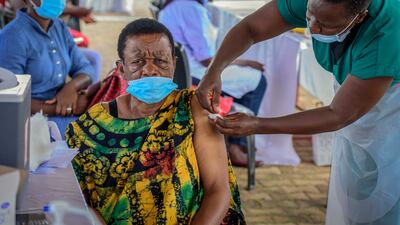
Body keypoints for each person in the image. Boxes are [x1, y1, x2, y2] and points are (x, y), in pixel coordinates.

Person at [196, 0, 400, 224]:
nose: (312, 27)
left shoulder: (387, 32)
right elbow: (251, 28)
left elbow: (338, 114)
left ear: (359, 17)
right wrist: (213, 71)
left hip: (392, 108)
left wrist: (258, 124)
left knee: (385, 195)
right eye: (309, 16)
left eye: (324, 24)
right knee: (353, 187)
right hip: (355, 99)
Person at [65, 18, 245, 225]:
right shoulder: (91, 126)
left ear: (173, 64)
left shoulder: (192, 108)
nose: (150, 70)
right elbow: (81, 202)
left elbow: (218, 189)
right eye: (138, 61)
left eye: (160, 61)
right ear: (121, 69)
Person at [158, 0, 267, 167]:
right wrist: (244, 62)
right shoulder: (191, 8)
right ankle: (237, 145)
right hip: (194, 75)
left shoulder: (175, 4)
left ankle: (227, 138)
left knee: (243, 81)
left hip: (179, 72)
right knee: (257, 80)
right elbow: (207, 59)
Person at [0, 0, 95, 134]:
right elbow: (11, 100)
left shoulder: (59, 26)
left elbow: (85, 68)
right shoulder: (12, 37)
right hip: (31, 121)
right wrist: (64, 108)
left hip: (65, 106)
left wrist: (71, 87)